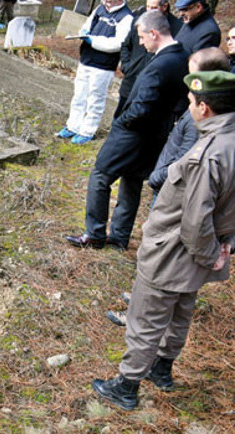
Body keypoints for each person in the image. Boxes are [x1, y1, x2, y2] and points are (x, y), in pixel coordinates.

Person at [91, 70, 235, 411]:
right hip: (203, 251)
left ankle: (126, 386)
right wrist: (224, 245)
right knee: (182, 310)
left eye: (191, 103)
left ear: (205, 108)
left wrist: (208, 253)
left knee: (146, 318)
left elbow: (195, 220)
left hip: (175, 250)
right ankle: (162, 369)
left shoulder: (208, 154)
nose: (189, 109)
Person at [104, 47, 231, 327]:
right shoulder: (198, 106)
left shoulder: (206, 117)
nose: (187, 75)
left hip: (173, 197)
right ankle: (139, 298)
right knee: (151, 261)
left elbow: (187, 160)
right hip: (166, 187)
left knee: (161, 267)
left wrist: (160, 176)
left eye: (193, 70)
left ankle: (141, 316)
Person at [66, 11, 189, 251]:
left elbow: (142, 107)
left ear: (154, 33)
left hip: (133, 133)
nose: (141, 43)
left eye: (143, 37)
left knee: (100, 175)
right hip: (157, 135)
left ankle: (95, 233)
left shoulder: (160, 65)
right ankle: (120, 237)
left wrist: (122, 122)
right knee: (132, 182)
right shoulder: (182, 56)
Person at [56, 0, 133, 145]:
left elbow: (118, 43)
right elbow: (87, 26)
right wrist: (83, 34)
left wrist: (94, 41)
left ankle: (87, 131)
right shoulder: (100, 9)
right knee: (79, 95)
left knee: (95, 99)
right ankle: (73, 126)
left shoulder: (126, 17)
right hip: (86, 59)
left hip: (103, 65)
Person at [114, 0, 182, 118]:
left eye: (153, 7)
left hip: (152, 86)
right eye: (147, 7)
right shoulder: (140, 20)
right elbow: (126, 45)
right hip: (131, 81)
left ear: (164, 6)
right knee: (119, 118)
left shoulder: (177, 28)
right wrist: (127, 66)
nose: (149, 11)